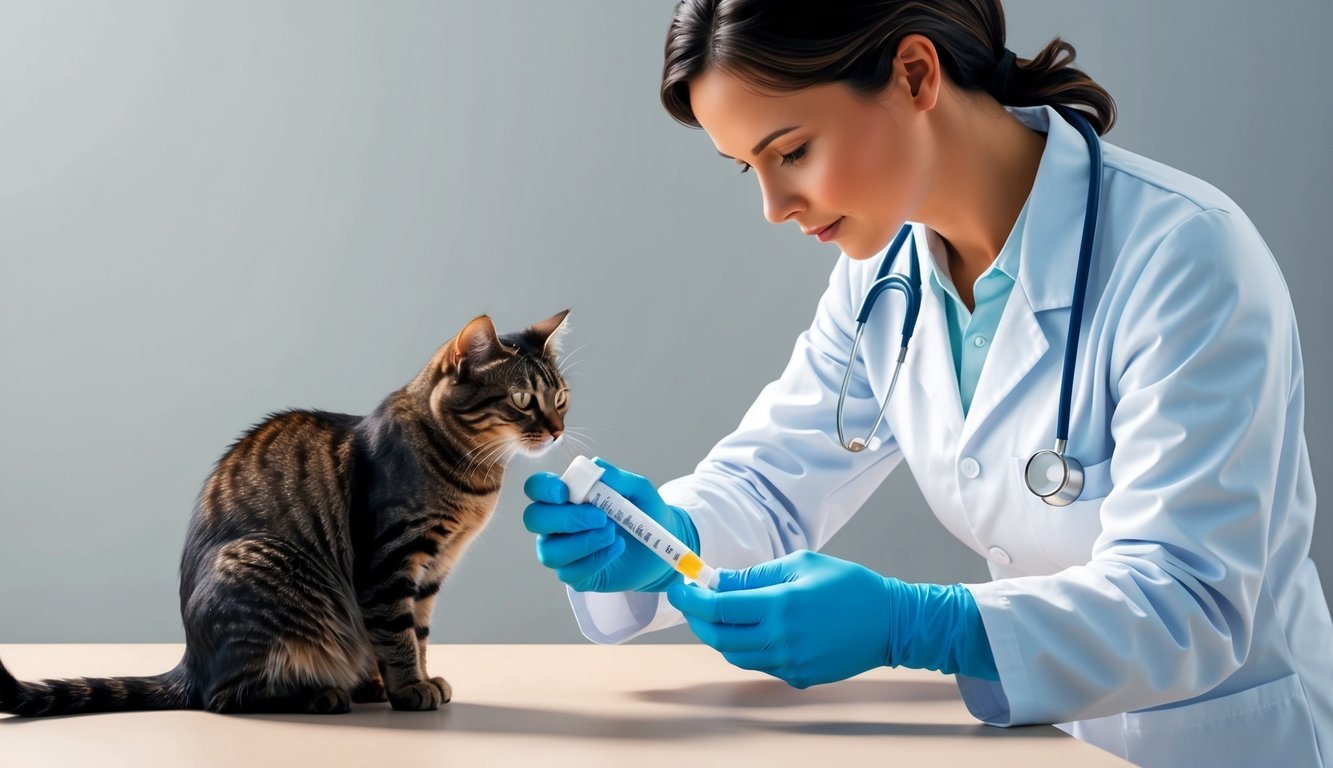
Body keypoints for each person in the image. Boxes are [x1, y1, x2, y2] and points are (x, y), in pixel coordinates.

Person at [521, 1, 1331, 765]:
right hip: (1055, 746)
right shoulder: (884, 275)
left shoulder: (1185, 256)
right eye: (748, 169)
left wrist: (920, 627)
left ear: (913, 74)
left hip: (1222, 745)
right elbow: (773, 484)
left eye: (792, 150)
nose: (773, 206)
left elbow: (1185, 603)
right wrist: (675, 538)